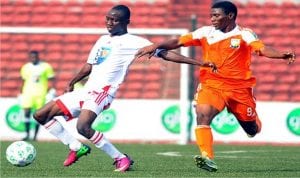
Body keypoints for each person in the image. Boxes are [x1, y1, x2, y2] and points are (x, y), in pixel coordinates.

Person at [33, 4, 215, 172]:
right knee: (40, 115)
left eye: (114, 20)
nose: (109, 23)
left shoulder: (134, 42)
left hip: (103, 92)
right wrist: (72, 81)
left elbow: (165, 54)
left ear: (126, 22)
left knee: (83, 126)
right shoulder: (102, 40)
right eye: (107, 19)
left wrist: (198, 63)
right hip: (86, 90)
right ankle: (75, 147)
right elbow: (90, 65)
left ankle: (120, 158)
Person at [136, 1, 296, 172]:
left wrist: (280, 55)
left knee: (252, 129)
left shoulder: (244, 34)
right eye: (211, 15)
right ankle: (207, 157)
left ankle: (253, 122)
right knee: (202, 115)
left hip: (239, 89)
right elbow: (178, 41)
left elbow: (262, 49)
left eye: (216, 15)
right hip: (211, 85)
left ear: (230, 16)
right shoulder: (206, 32)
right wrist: (156, 45)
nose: (212, 19)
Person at [20, 50, 55, 141]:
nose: (33, 58)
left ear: (38, 56)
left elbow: (51, 79)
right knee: (26, 113)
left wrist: (51, 90)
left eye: (35, 57)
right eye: (32, 57)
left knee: (38, 114)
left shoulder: (45, 66)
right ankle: (27, 134)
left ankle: (35, 136)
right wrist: (21, 92)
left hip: (41, 94)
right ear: (29, 57)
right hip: (28, 93)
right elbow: (23, 80)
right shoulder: (25, 67)